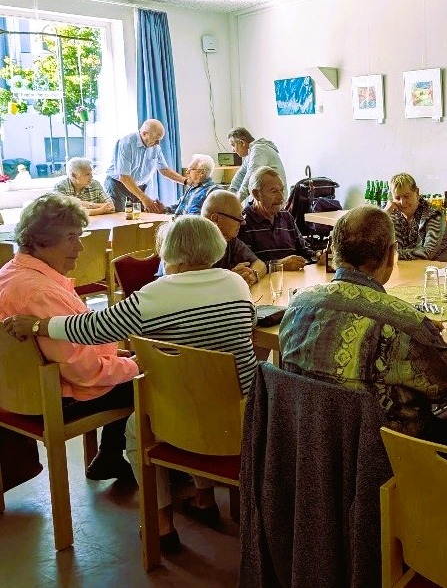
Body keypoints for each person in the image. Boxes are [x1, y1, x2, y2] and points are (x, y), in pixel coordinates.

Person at [3, 215, 258, 553]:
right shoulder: (236, 284)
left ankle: (163, 526)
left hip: (179, 422)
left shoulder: (153, 297)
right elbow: (250, 323)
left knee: (137, 429)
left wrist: (37, 327)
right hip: (246, 415)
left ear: (170, 253)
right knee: (203, 390)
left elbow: (89, 328)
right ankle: (202, 498)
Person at [279, 205, 447, 440]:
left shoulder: (298, 304)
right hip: (385, 456)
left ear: (335, 251)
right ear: (391, 254)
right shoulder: (404, 323)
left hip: (311, 445)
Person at [0, 194, 138, 481]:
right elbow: (83, 372)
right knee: (149, 381)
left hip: (11, 393)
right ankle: (157, 474)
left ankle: (110, 456)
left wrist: (113, 357)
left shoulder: (10, 273)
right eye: (71, 238)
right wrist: (135, 365)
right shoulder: (42, 293)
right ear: (39, 241)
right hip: (52, 399)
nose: (81, 247)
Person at [238, 166, 320, 271]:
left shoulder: (286, 217)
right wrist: (279, 265)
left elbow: (303, 249)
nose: (281, 197)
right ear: (256, 194)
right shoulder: (243, 221)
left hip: (292, 282)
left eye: (282, 190)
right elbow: (246, 265)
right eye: (274, 191)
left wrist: (317, 255)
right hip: (263, 285)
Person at [103, 119, 188, 213]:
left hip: (138, 186)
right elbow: (124, 177)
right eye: (156, 139)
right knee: (119, 219)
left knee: (140, 220)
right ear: (144, 134)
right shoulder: (126, 143)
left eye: (159, 140)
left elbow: (164, 170)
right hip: (118, 185)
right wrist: (144, 198)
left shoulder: (156, 148)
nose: (158, 143)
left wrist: (186, 181)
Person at [385, 172, 447, 262]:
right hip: (407, 269)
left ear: (417, 192)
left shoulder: (434, 214)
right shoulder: (394, 215)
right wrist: (385, 214)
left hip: (438, 270)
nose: (403, 202)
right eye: (398, 198)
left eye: (407, 196)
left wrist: (393, 254)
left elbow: (427, 253)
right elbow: (379, 247)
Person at [201, 189, 267, 286]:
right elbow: (193, 283)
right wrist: (231, 278)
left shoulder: (230, 240)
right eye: (238, 218)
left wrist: (251, 275)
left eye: (242, 216)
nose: (243, 222)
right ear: (216, 218)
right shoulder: (192, 242)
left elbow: (259, 264)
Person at [227, 127, 287, 203]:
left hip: (275, 202)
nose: (233, 150)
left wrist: (235, 202)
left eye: (233, 145)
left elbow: (250, 178)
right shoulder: (252, 152)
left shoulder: (259, 150)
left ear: (242, 143)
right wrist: (229, 195)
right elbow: (240, 175)